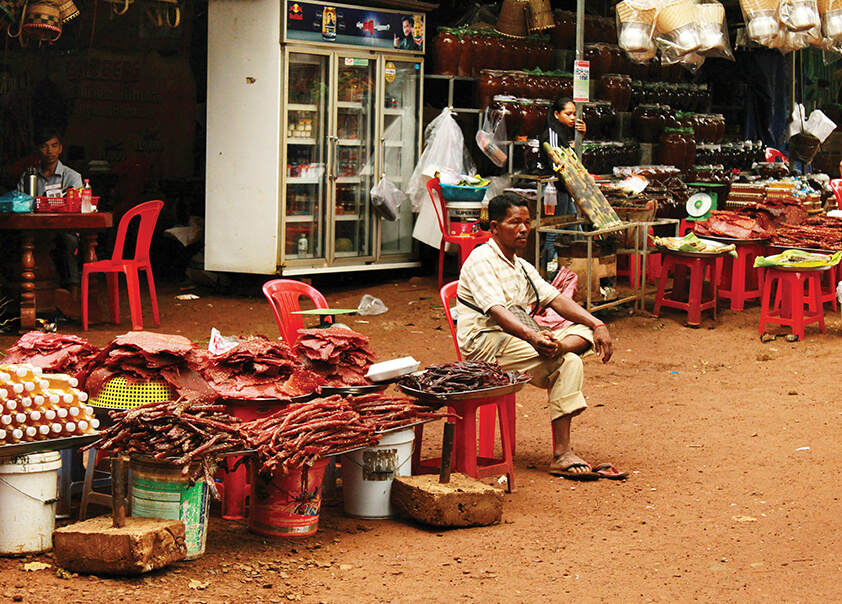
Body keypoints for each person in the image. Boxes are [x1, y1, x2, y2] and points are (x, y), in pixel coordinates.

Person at [455, 192, 622, 480]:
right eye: (514, 222)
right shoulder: (482, 259)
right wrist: (534, 338)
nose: (523, 229)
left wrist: (597, 324)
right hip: (486, 344)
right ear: (494, 227)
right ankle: (562, 450)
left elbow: (555, 299)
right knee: (570, 360)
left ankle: (561, 451)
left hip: (518, 340)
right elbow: (497, 313)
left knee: (579, 336)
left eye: (526, 222)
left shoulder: (520, 265)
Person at [16, 127, 86, 314]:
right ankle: (26, 299)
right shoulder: (28, 176)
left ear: (61, 149)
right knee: (19, 243)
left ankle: (72, 297)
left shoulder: (72, 176)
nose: (50, 151)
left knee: (66, 242)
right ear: (38, 149)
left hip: (64, 230)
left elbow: (79, 206)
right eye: (45, 146)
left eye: (54, 146)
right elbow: (20, 203)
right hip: (35, 231)